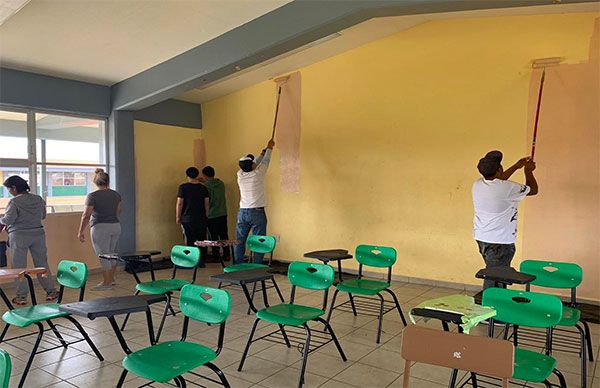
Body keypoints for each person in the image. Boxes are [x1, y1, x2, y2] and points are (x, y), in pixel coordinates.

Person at [472, 150, 538, 289]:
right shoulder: (507, 188)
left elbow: (499, 181)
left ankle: (494, 303)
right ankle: (492, 306)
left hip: (483, 238)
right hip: (499, 242)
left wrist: (516, 166)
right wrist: (528, 171)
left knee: (494, 272)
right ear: (499, 169)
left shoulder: (477, 184)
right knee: (496, 277)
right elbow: (533, 190)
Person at [0, 176, 58, 305]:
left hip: (19, 236)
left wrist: (1, 220)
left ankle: (21, 297)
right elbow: (43, 215)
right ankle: (51, 292)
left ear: (14, 188)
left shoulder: (14, 202)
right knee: (42, 264)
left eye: (9, 188)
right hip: (38, 234)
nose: (9, 191)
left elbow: (8, 220)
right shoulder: (38, 199)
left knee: (18, 267)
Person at [78, 169, 122, 290]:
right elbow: (118, 211)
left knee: (103, 255)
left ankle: (106, 283)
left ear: (96, 182)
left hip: (100, 227)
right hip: (116, 226)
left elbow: (86, 215)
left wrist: (80, 231)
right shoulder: (116, 195)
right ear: (108, 181)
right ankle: (111, 279)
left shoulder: (92, 196)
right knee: (112, 253)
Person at [234, 139, 275, 264]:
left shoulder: (240, 174)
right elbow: (266, 161)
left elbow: (254, 163)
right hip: (257, 213)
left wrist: (262, 154)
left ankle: (238, 265)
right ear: (251, 165)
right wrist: (269, 148)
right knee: (258, 241)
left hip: (242, 213)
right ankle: (257, 266)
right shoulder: (258, 174)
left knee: (239, 240)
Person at [176, 167, 210, 267]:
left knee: (190, 240)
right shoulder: (203, 188)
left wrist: (178, 216)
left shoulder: (183, 187)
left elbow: (180, 203)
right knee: (202, 240)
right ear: (197, 175)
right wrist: (206, 215)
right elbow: (206, 204)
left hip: (187, 218)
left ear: (187, 176)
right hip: (201, 218)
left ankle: (191, 262)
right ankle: (202, 261)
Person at [201, 166, 230, 262]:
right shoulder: (221, 183)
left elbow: (208, 201)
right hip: (222, 212)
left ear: (204, 175)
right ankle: (227, 254)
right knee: (224, 235)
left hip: (211, 215)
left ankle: (216, 256)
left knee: (213, 237)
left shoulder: (205, 187)